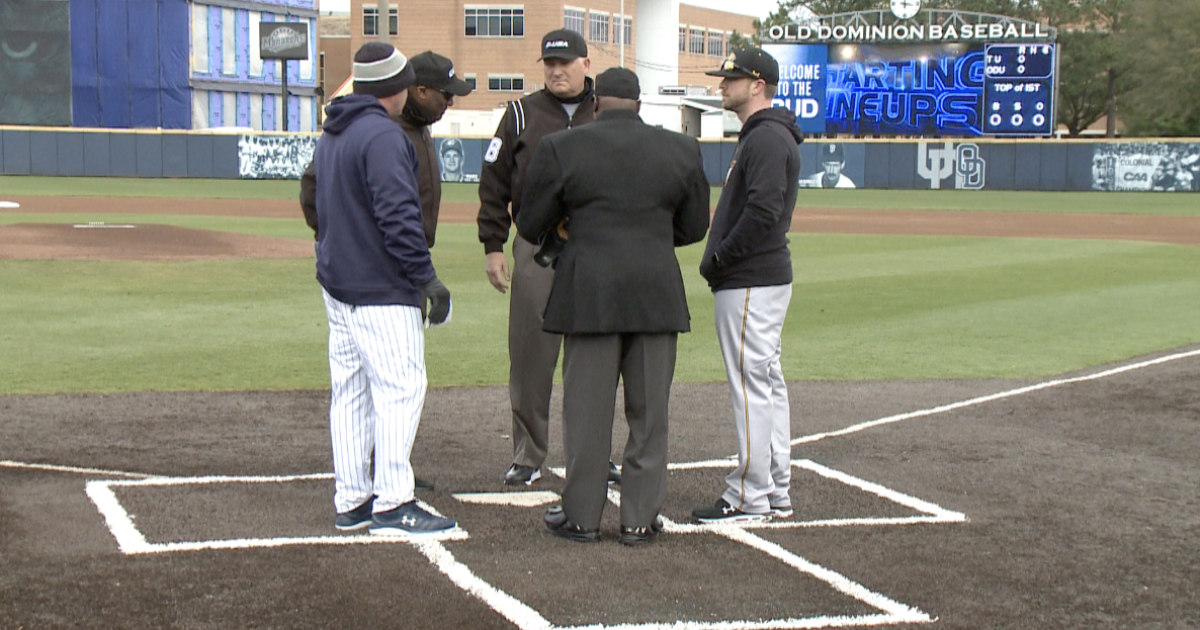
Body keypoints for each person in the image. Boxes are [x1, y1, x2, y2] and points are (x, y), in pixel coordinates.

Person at [517, 67, 710, 546]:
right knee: (649, 415)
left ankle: (582, 518)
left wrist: (567, 227)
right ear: (640, 105)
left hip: (589, 295)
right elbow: (694, 227)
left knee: (586, 414)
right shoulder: (681, 149)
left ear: (596, 101)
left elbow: (529, 222)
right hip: (655, 294)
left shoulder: (563, 146)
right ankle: (639, 520)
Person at [300, 50, 471, 492]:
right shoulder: (383, 136)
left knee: (354, 392)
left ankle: (354, 495)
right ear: (406, 89)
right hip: (383, 280)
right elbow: (397, 217)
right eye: (443, 94)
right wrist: (424, 277)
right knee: (400, 388)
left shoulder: (338, 129)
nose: (449, 103)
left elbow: (316, 199)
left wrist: (341, 240)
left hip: (345, 280)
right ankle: (393, 498)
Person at [477, 28, 619, 487]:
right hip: (537, 245)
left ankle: (595, 452)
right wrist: (494, 246)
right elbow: (494, 183)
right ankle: (528, 453)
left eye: (565, 62)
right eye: (549, 64)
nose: (556, 71)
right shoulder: (520, 114)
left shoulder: (609, 111)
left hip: (596, 246)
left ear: (585, 64)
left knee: (596, 356)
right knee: (531, 356)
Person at [692, 47, 804, 524]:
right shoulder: (765, 135)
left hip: (750, 279)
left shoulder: (766, 139)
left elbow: (762, 212)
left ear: (757, 85)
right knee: (765, 383)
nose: (723, 85)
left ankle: (749, 495)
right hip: (760, 278)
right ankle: (773, 490)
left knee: (751, 387)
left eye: (732, 79)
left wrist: (720, 257)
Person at [303, 50, 472, 249]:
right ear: (422, 91)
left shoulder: (419, 125)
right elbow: (311, 186)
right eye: (447, 94)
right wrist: (341, 242)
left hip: (408, 258)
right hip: (378, 263)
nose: (451, 102)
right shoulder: (378, 130)